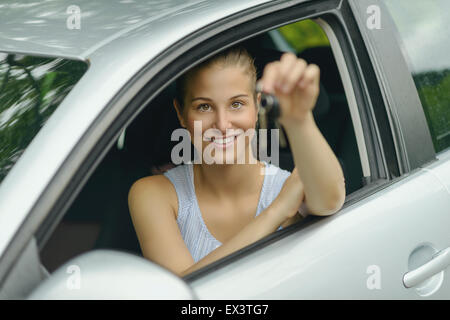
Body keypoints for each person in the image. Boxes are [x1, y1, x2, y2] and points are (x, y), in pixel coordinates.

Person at [128, 46, 346, 277]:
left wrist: (298, 118)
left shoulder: (291, 184)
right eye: (204, 106)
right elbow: (183, 294)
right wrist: (278, 210)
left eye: (236, 104)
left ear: (257, 105)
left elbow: (330, 201)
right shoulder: (153, 194)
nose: (222, 125)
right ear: (181, 113)